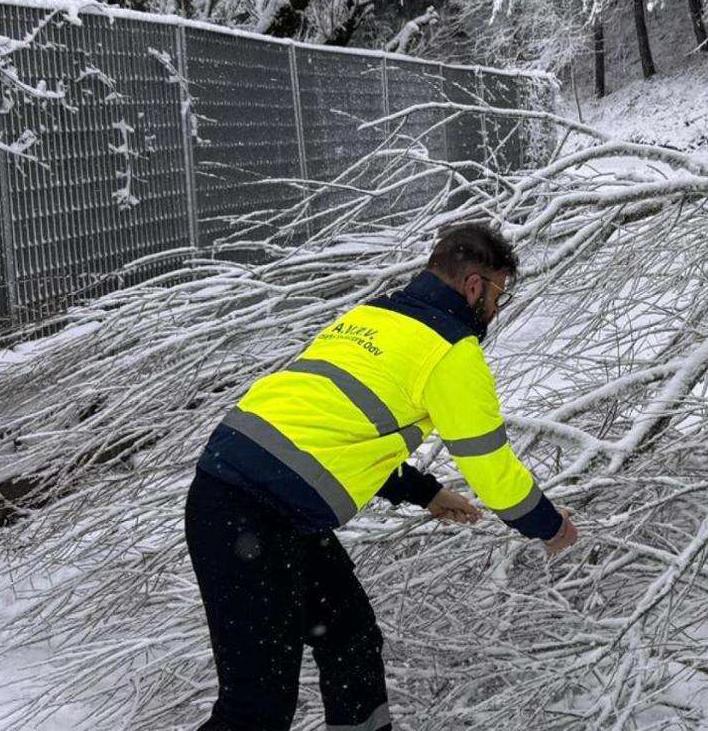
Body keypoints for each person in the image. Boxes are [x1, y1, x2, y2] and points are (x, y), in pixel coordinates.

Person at [185, 223, 577, 731]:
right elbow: (493, 472)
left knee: (348, 632)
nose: (498, 311)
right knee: (255, 708)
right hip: (254, 518)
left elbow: (334, 435)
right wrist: (551, 527)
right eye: (500, 294)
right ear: (476, 285)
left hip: (237, 493)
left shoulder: (373, 316)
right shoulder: (451, 350)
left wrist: (425, 492)